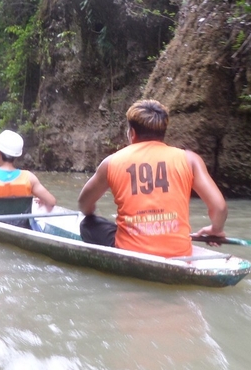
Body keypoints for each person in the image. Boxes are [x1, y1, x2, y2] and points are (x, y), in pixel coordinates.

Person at [76, 99, 227, 257]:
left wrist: (90, 211)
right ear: (162, 132)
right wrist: (215, 229)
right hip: (180, 252)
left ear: (132, 133)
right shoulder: (190, 160)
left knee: (88, 224)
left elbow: (83, 203)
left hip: (130, 250)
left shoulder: (111, 162)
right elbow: (220, 208)